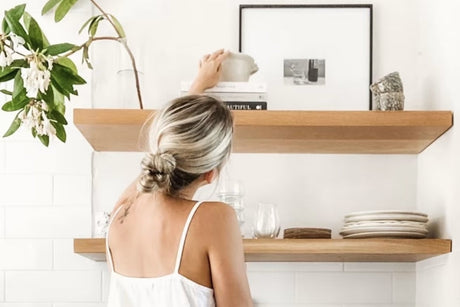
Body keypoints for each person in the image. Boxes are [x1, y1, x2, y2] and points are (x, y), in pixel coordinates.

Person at [106, 49, 253, 307]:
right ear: (211, 173)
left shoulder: (119, 219)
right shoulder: (215, 219)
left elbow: (155, 165)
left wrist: (197, 88)